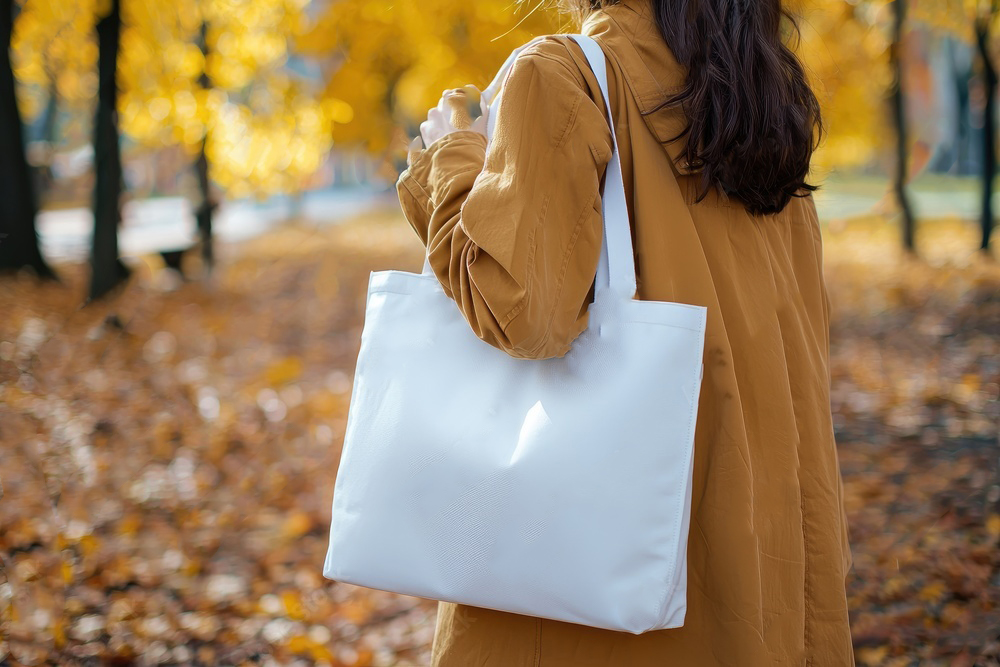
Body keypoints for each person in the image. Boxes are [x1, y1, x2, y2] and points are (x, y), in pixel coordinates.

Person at [395, 0, 854, 664]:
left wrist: (450, 165)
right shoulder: (764, 101)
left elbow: (525, 308)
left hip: (614, 570)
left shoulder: (561, 77)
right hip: (764, 542)